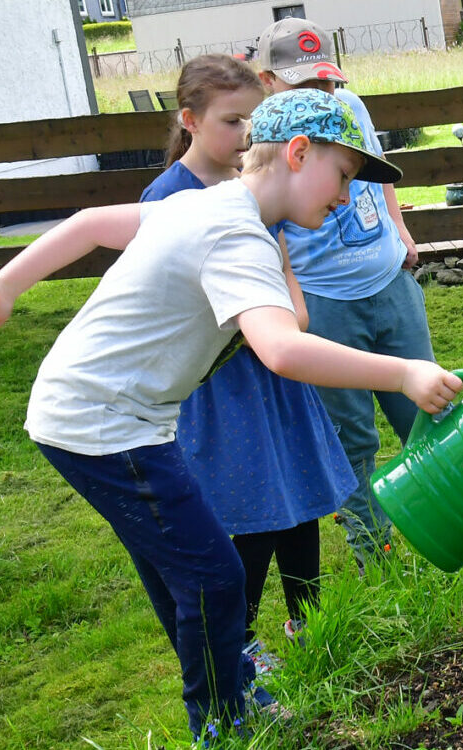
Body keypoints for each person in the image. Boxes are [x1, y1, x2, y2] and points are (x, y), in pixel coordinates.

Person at [0, 88, 463, 742]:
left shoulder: (205, 203)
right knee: (214, 577)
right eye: (342, 174)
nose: (345, 196)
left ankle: (228, 698)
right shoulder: (236, 232)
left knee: (187, 577)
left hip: (105, 417)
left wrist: (3, 286)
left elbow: (85, 223)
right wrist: (405, 372)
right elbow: (280, 348)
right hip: (101, 424)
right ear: (299, 153)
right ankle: (221, 724)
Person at [141, 54, 356, 668]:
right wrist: (271, 327)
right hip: (227, 386)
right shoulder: (167, 197)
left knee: (302, 492)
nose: (245, 137)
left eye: (252, 122)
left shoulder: (253, 184)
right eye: (232, 123)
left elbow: (283, 269)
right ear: (190, 121)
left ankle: (310, 622)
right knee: (255, 506)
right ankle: (240, 643)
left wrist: (292, 312)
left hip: (277, 372)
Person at [254, 18, 435, 568]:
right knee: (351, 441)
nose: (321, 98)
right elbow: (267, 220)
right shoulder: (267, 137)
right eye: (303, 87)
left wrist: (399, 230)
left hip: (387, 281)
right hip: (326, 301)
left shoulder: (350, 108)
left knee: (426, 416)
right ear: (267, 80)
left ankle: (447, 530)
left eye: (326, 85)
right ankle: (375, 556)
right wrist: (293, 294)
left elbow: (378, 173)